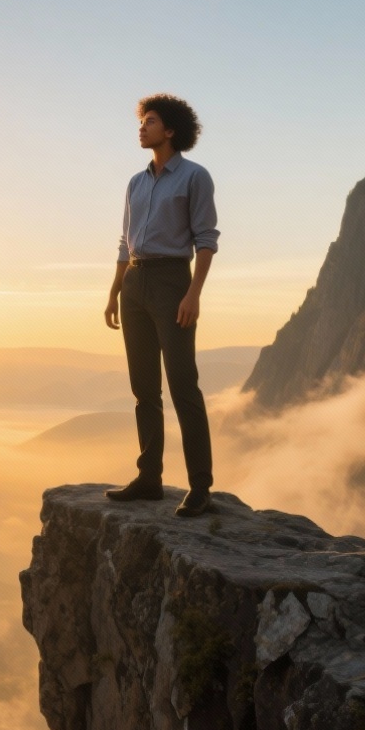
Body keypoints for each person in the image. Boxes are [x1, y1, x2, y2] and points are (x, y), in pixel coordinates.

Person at [104, 93, 218, 517]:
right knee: (144, 388)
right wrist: (115, 291)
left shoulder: (194, 177)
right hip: (135, 281)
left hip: (173, 281)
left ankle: (200, 487)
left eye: (150, 121)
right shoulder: (135, 183)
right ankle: (149, 478)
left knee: (183, 384)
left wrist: (194, 294)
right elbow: (124, 241)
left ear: (170, 130)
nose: (142, 127)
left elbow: (206, 240)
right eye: (142, 121)